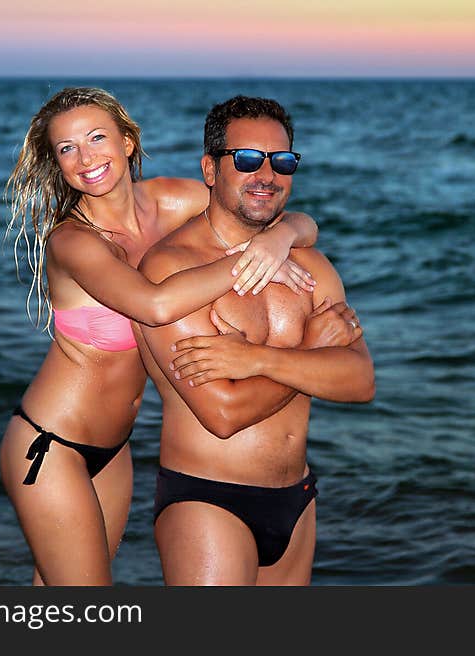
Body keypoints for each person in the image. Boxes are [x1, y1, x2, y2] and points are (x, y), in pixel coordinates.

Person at [0, 87, 321, 586]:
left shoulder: (173, 200)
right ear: (57, 163)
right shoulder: (72, 240)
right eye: (67, 149)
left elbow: (275, 216)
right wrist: (251, 261)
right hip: (50, 444)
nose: (86, 158)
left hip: (115, 449)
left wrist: (279, 238)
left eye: (97, 138)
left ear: (128, 142)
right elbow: (154, 304)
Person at [134, 95, 375, 585]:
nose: (267, 175)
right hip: (209, 498)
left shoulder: (311, 266)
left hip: (297, 498)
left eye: (282, 161)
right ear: (210, 169)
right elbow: (223, 414)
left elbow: (360, 381)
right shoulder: (171, 270)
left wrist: (256, 360)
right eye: (247, 159)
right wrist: (309, 352)